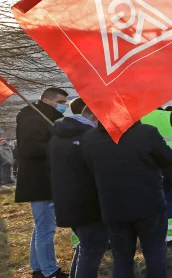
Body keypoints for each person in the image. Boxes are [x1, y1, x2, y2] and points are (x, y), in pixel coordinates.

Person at [81, 115, 172, 278]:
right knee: (155, 252)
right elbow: (168, 159)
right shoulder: (147, 132)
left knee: (122, 257)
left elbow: (89, 170)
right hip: (149, 204)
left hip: (113, 206)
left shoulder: (89, 139)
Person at [48, 99, 108, 278]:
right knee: (92, 250)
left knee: (85, 247)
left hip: (66, 201)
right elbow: (99, 171)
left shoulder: (57, 138)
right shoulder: (88, 138)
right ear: (95, 117)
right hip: (89, 204)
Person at [15, 87, 69, 278]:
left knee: (41, 228)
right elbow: (31, 148)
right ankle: (50, 271)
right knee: (46, 229)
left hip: (42, 179)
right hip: (40, 181)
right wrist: (59, 145)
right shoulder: (33, 118)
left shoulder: (41, 117)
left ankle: (39, 268)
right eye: (60, 102)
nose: (64, 106)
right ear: (47, 100)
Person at [141, 106, 172, 245]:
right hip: (170, 166)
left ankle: (154, 237)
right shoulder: (169, 116)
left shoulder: (136, 119)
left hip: (145, 167)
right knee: (169, 199)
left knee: (149, 202)